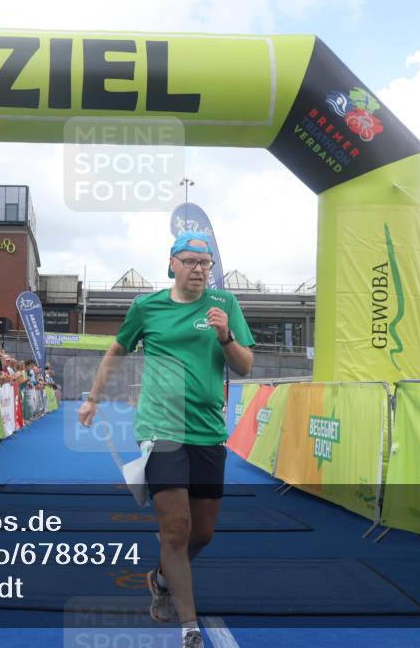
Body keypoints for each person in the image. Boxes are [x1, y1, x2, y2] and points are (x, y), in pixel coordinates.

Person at [78, 231, 254, 648]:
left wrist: (226, 337)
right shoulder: (146, 307)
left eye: (206, 263)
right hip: (161, 428)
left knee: (203, 533)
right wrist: (93, 399)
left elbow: (245, 366)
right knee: (176, 528)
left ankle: (159, 578)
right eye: (191, 261)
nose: (199, 270)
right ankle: (189, 629)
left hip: (208, 430)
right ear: (172, 263)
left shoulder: (224, 306)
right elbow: (117, 350)